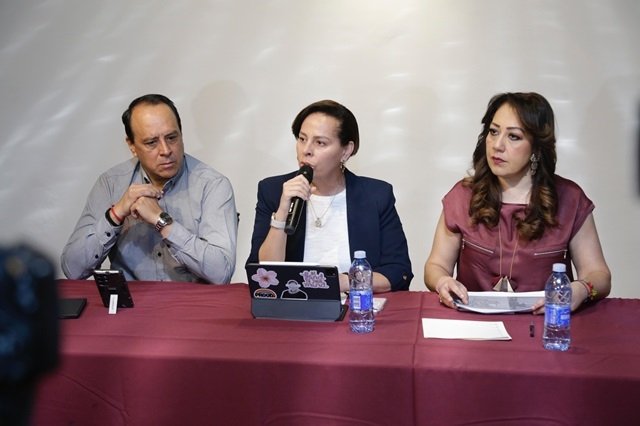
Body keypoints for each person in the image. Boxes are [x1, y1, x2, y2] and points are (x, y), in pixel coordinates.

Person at [424, 92, 611, 313]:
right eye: (493, 132)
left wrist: (582, 289)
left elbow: (599, 275)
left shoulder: (570, 199)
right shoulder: (463, 196)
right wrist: (442, 281)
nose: (497, 145)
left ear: (536, 147)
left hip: (544, 321)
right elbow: (435, 266)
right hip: (474, 322)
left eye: (513, 136)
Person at [61, 94, 237, 284]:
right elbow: (73, 270)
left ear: (181, 134)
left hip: (192, 301)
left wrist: (162, 222)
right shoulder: (111, 184)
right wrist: (116, 214)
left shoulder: (213, 185)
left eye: (171, 137)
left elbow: (221, 273)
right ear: (132, 146)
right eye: (151, 142)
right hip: (131, 301)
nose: (166, 150)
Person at [248, 100, 413, 292]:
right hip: (295, 304)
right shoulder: (273, 191)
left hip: (356, 304)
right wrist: (283, 211)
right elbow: (262, 274)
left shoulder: (376, 196)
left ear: (346, 151)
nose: (306, 150)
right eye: (302, 139)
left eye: (320, 143)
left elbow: (398, 272)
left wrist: (342, 282)